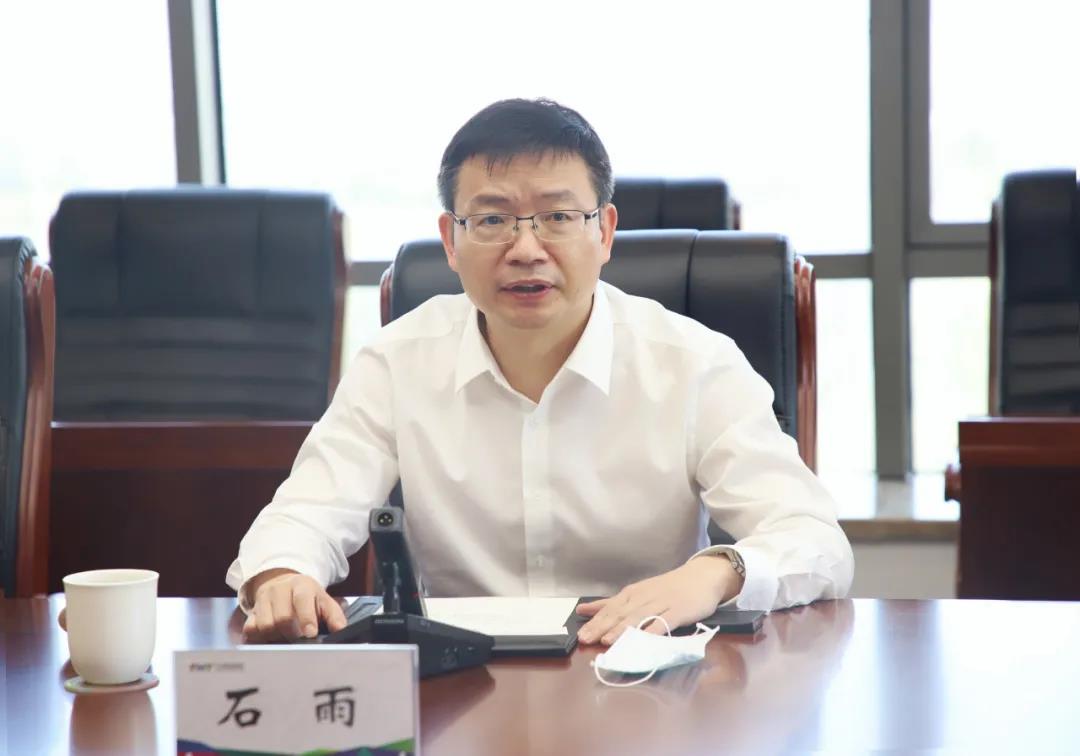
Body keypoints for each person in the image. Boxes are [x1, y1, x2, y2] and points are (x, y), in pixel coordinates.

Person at [228, 98, 853, 645]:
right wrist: (282, 575)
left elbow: (814, 540)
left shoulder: (694, 363)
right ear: (450, 240)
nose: (526, 249)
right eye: (492, 220)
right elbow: (305, 513)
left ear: (604, 231)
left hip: (642, 675)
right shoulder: (396, 362)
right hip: (462, 688)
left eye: (557, 217)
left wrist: (715, 573)